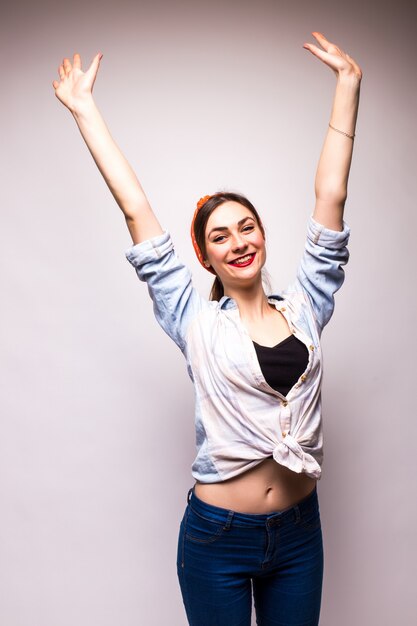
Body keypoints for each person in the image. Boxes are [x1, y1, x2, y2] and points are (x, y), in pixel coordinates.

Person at [52, 31, 362, 626]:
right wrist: (86, 110)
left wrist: (348, 86)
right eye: (220, 236)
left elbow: (332, 194)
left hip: (300, 533)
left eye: (247, 227)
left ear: (262, 235)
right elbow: (136, 210)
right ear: (206, 257)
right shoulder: (193, 320)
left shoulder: (306, 306)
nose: (238, 242)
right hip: (218, 537)